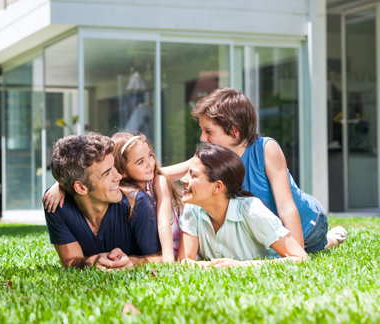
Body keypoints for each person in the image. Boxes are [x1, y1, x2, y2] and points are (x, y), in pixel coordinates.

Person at [165, 87, 347, 254]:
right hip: (271, 230)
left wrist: (296, 253)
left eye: (208, 131)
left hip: (308, 225)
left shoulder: (266, 149)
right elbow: (169, 172)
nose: (202, 137)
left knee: (310, 250)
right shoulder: (213, 158)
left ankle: (332, 238)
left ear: (234, 131)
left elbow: (286, 208)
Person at [44, 131, 183, 263]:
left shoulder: (140, 200)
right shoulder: (55, 203)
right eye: (107, 173)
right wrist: (93, 262)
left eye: (114, 167)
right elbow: (70, 261)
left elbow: (161, 259)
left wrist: (132, 262)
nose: (118, 177)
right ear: (80, 187)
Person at [177, 144, 307, 267]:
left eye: (193, 175)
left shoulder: (251, 211)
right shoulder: (193, 208)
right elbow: (184, 260)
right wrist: (210, 266)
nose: (183, 179)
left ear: (217, 187)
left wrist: (240, 266)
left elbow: (301, 258)